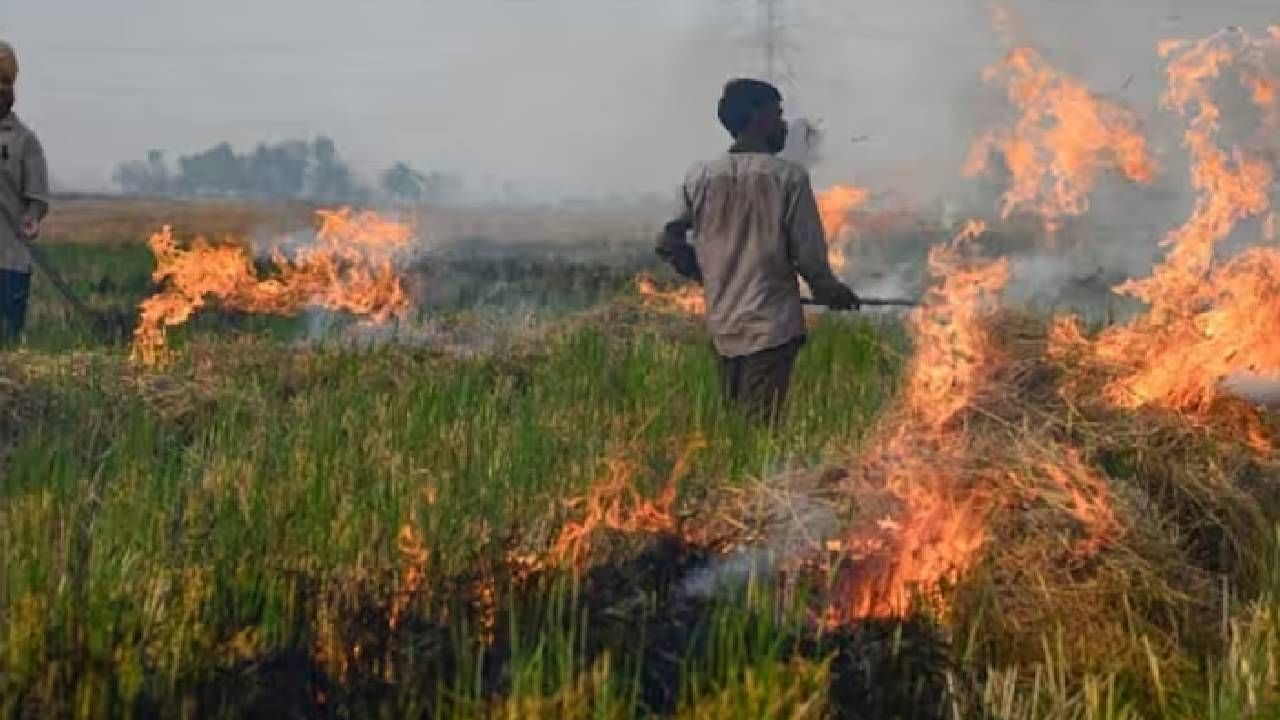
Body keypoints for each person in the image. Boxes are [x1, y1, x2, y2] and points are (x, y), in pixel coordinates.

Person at [656, 78, 860, 425]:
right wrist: (834, 292)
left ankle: (731, 478)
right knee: (759, 431)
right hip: (772, 327)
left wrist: (709, 275)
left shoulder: (700, 177)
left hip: (724, 325)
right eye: (777, 114)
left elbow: (667, 243)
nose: (782, 124)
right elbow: (809, 258)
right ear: (756, 117)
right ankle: (751, 481)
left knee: (736, 426)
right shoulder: (787, 178)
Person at [0, 40, 50, 345]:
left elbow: (38, 198)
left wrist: (31, 218)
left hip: (10, 262)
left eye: (4, 81)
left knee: (6, 346)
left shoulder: (24, 141)